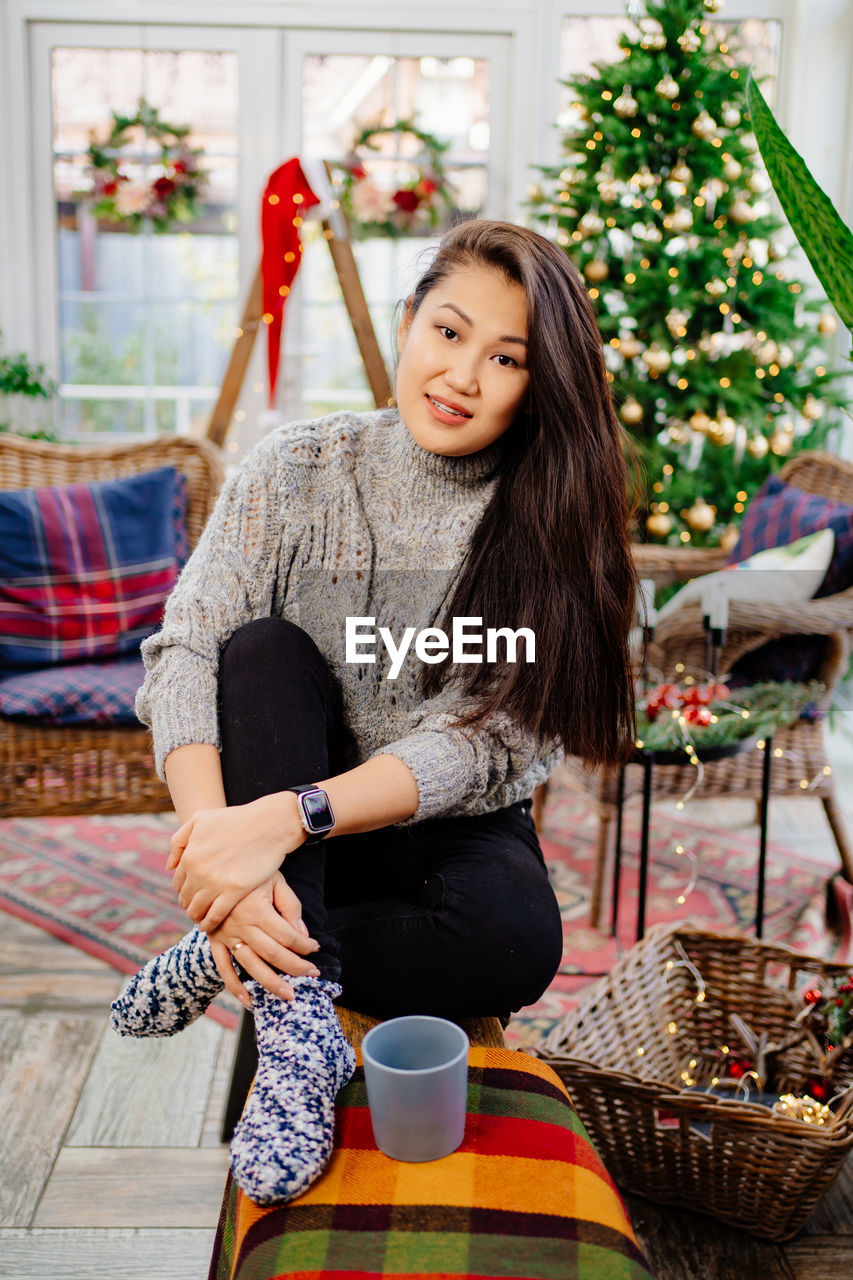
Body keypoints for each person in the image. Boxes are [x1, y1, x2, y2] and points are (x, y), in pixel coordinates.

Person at [111, 219, 638, 1205]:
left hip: (433, 825)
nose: (462, 375)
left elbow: (487, 746)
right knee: (259, 649)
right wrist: (210, 837)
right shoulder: (295, 468)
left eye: (505, 357)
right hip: (283, 784)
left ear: (540, 383)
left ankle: (230, 948)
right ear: (405, 324)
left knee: (518, 938)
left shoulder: (548, 518)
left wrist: (280, 823)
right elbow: (185, 644)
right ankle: (297, 1016)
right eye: (446, 332)